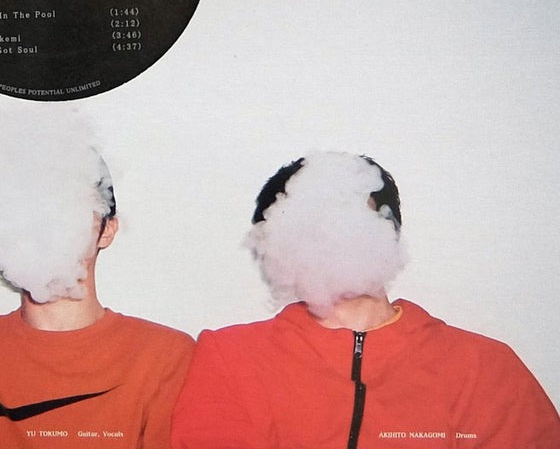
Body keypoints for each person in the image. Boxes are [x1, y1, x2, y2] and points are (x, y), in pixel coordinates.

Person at [171, 151, 560, 448]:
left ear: (391, 231)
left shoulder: (484, 366)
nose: (335, 238)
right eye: (312, 225)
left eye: (349, 218)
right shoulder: (231, 356)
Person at [0, 108, 194, 448]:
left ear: (107, 230)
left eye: (68, 206)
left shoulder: (165, 354)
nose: (46, 226)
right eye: (26, 208)